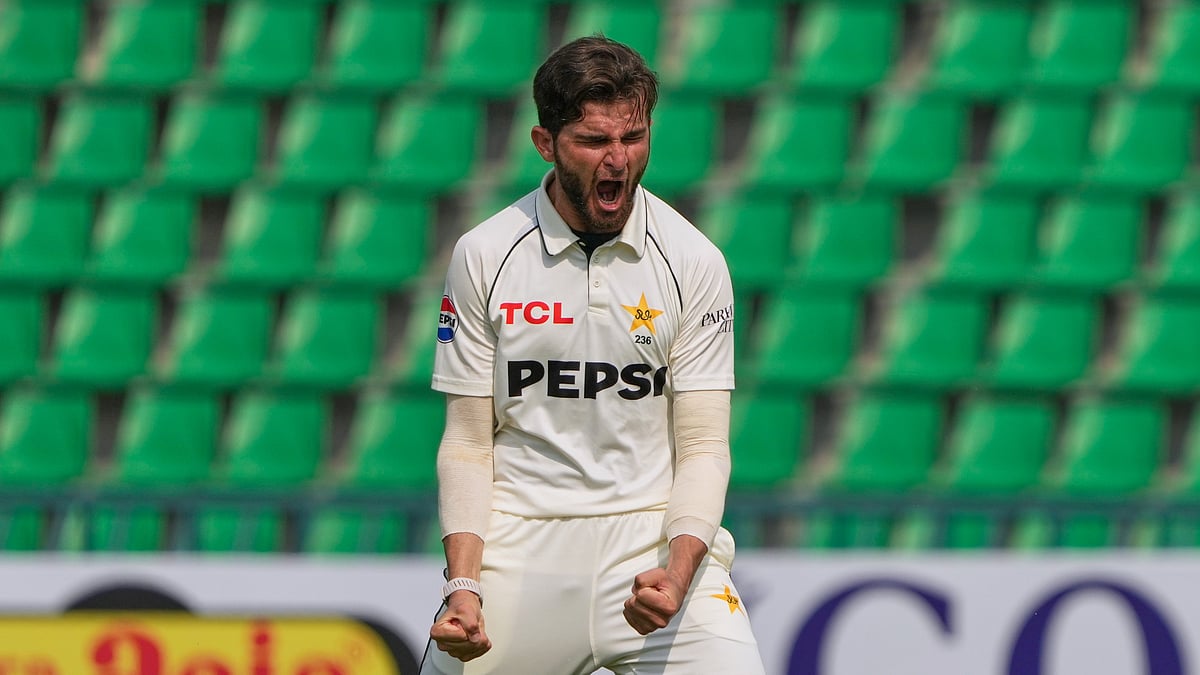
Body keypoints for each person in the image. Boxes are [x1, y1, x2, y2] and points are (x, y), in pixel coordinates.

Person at [421, 35, 764, 675]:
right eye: (594, 141)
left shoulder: (694, 261)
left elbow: (704, 447)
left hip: (651, 549)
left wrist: (677, 572)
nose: (618, 161)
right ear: (545, 144)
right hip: (519, 551)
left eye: (633, 138)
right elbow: (469, 442)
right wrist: (464, 585)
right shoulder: (484, 255)